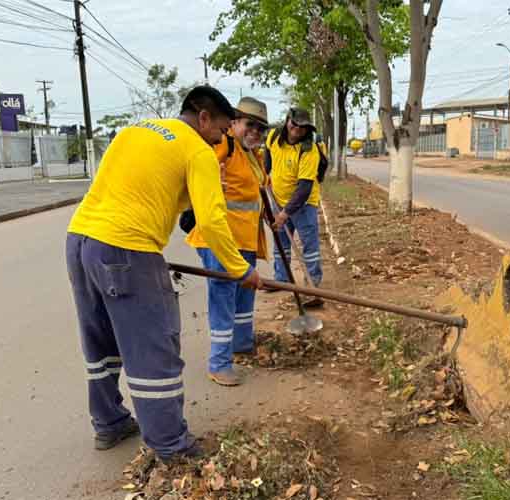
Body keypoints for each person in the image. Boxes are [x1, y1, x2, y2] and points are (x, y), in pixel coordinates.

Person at [65, 86, 261, 463]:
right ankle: (172, 444)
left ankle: (109, 422)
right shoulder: (197, 149)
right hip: (127, 248)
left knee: (101, 340)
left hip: (80, 241)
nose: (221, 140)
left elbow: (154, 189)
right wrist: (241, 270)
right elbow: (212, 222)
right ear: (203, 117)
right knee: (154, 343)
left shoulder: (136, 130)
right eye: (221, 130)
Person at [186, 97, 270, 387]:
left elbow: (257, 191)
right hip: (220, 239)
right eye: (250, 125)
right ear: (234, 123)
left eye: (261, 128)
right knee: (223, 297)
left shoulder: (253, 155)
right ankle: (219, 363)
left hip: (246, 239)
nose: (255, 132)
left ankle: (242, 344)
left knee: (245, 293)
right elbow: (199, 164)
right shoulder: (224, 145)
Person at [265, 108, 324, 293]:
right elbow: (268, 155)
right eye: (294, 123)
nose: (297, 128)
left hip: (304, 204)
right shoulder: (274, 136)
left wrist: (285, 214)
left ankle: (312, 285)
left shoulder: (309, 150)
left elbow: (304, 188)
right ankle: (281, 280)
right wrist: (265, 174)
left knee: (309, 245)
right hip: (277, 199)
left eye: (302, 126)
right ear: (287, 121)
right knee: (281, 243)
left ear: (308, 129)